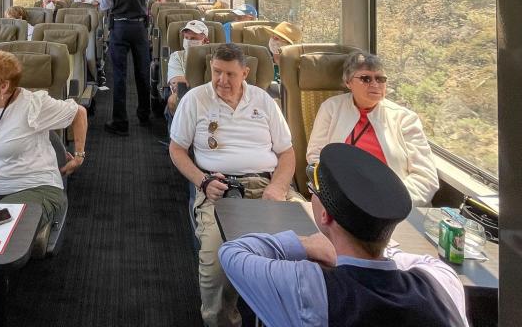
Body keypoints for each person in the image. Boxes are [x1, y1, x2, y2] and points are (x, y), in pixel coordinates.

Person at [219, 143, 468, 327]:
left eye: (312, 192)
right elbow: (406, 259)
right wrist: (369, 250)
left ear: (325, 215)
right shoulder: (441, 281)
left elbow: (232, 253)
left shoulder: (309, 289)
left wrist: (306, 244)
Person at [169, 44, 297, 327]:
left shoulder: (263, 101)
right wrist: (202, 181)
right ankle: (220, 321)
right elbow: (177, 150)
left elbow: (287, 154)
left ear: (245, 73)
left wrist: (277, 187)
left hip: (268, 187)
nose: (222, 81)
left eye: (230, 74)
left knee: (304, 253)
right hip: (220, 187)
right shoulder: (196, 100)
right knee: (216, 265)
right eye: (217, 72)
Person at [0, 51, 88, 327]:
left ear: (4, 86)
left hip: (35, 186)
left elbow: (79, 111)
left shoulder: (34, 105)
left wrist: (79, 155)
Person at [306, 51, 438, 206]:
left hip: (393, 203)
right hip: (342, 199)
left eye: (380, 79)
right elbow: (316, 157)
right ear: (348, 82)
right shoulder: (331, 108)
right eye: (365, 78)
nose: (375, 84)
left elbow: (425, 177)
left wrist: (389, 202)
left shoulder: (405, 119)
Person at [100, 0, 152, 135]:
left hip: (120, 26)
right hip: (139, 27)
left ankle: (120, 122)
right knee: (142, 71)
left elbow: (105, 4)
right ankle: (144, 114)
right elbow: (146, 0)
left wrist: (116, 3)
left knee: (120, 74)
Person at [163, 19, 211, 119]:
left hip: (210, 98)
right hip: (186, 96)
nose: (188, 41)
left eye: (193, 38)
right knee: (173, 100)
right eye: (186, 38)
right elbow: (179, 84)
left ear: (205, 41)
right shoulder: (177, 56)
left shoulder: (214, 58)